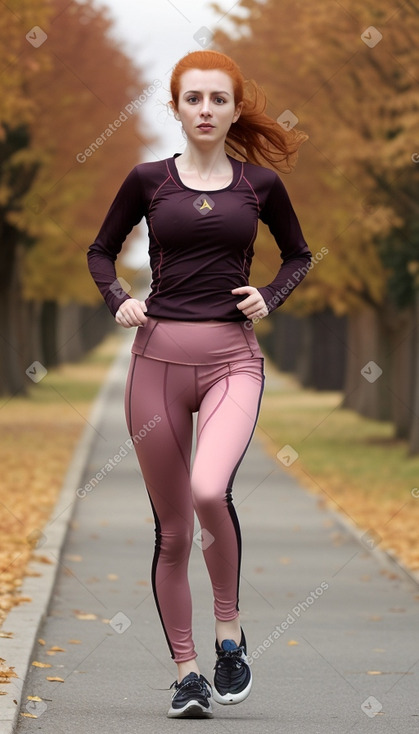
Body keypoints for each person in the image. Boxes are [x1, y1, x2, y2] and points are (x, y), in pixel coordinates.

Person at [87, 49, 311, 718]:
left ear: (235, 107)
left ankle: (228, 634)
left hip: (230, 361)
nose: (206, 110)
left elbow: (297, 253)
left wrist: (271, 295)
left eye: (218, 99)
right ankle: (187, 673)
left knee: (209, 488)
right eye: (194, 99)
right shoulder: (147, 179)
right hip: (155, 361)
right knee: (174, 531)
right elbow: (101, 249)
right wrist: (116, 298)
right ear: (176, 108)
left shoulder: (259, 186)